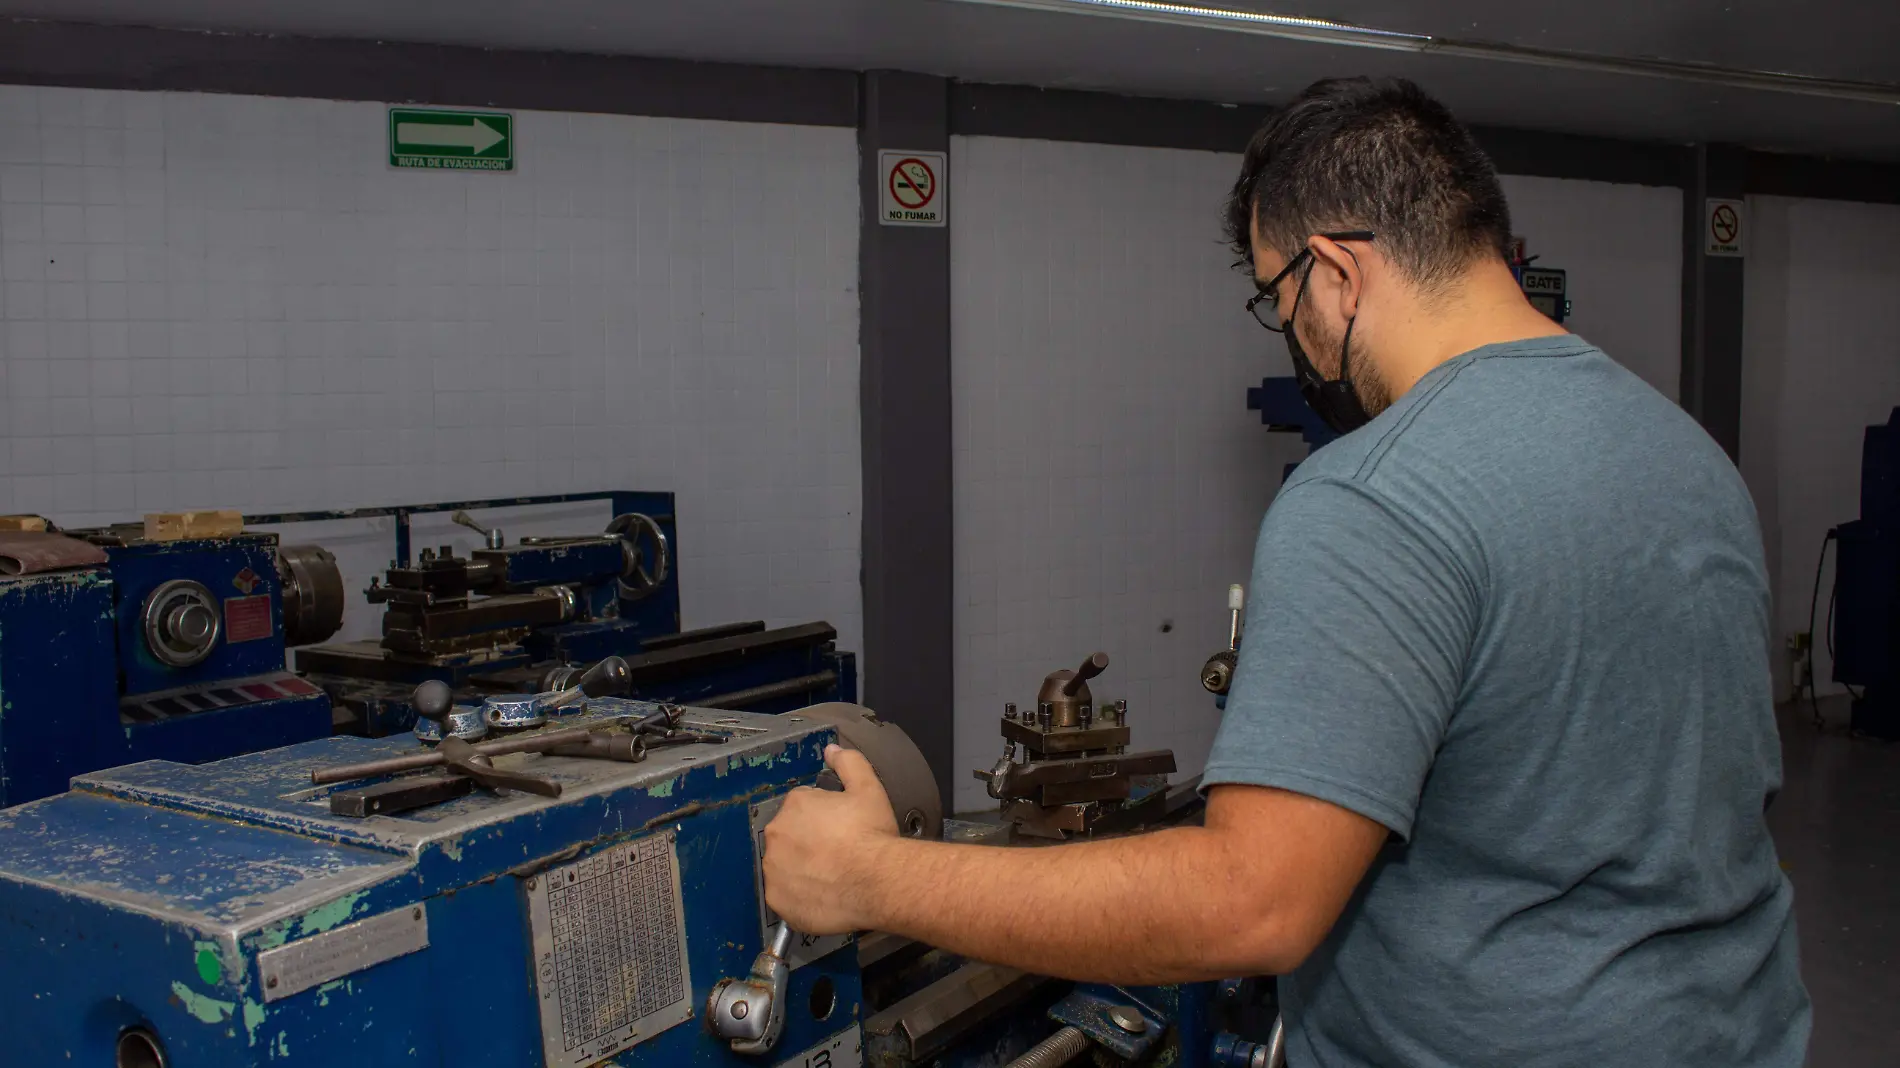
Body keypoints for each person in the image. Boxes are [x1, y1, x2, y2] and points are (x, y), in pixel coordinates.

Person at [761, 76, 1810, 1067]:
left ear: (1337, 270)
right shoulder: (1685, 451)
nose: (1298, 343)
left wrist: (868, 874)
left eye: (1280, 297)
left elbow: (1246, 905)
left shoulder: (1373, 494)